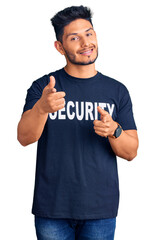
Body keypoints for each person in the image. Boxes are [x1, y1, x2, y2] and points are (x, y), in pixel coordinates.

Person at [17, 5, 139, 240]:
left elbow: (131, 151)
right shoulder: (43, 87)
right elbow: (24, 138)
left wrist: (115, 130)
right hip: (52, 208)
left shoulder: (117, 90)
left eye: (89, 33)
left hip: (100, 210)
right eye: (75, 38)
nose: (86, 43)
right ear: (59, 47)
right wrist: (42, 109)